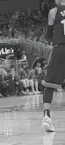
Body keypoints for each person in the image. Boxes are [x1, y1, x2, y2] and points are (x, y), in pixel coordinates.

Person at [42, 0, 65, 132]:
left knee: (49, 85)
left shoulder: (53, 11)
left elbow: (48, 36)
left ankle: (47, 116)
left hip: (59, 49)